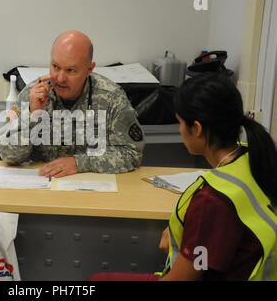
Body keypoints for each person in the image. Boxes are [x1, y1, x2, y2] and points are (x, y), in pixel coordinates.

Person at [90, 73, 277, 281]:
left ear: (196, 129)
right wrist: (191, 238)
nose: (179, 130)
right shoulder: (252, 159)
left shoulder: (212, 201)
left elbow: (184, 277)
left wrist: (190, 244)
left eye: (179, 122)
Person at [0, 30, 144, 178]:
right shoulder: (34, 94)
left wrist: (80, 163)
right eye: (55, 66)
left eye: (71, 70)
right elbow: (8, 155)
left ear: (89, 69)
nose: (60, 78)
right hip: (43, 185)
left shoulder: (111, 98)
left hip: (92, 189)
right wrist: (31, 115)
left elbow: (131, 153)